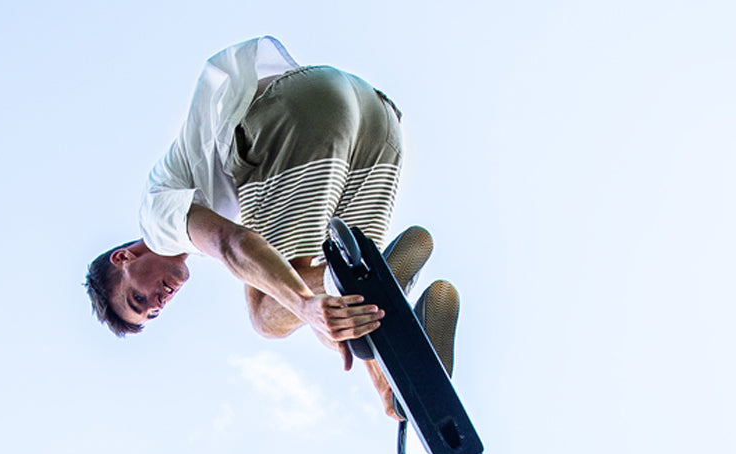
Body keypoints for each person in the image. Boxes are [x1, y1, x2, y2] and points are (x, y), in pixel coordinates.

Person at [85, 36, 457, 416]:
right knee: (336, 317)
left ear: (124, 258)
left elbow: (231, 242)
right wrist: (382, 383)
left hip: (301, 114)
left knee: (267, 311)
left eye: (138, 298)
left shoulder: (156, 219)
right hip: (376, 123)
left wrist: (303, 304)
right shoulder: (194, 205)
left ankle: (377, 290)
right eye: (153, 312)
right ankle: (403, 374)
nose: (158, 302)